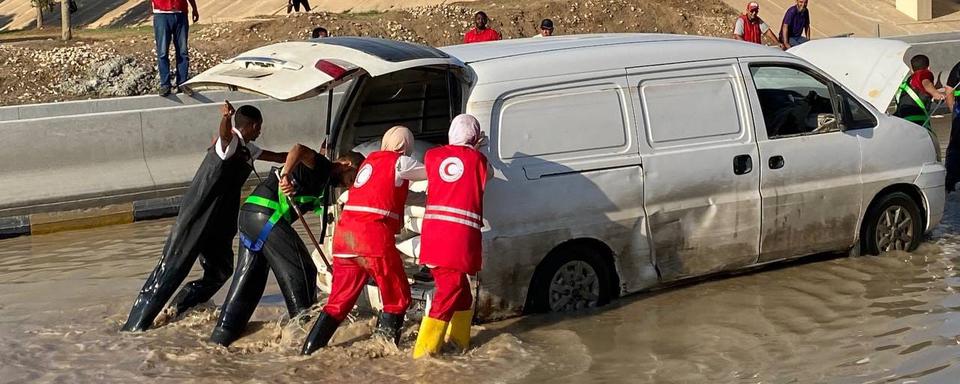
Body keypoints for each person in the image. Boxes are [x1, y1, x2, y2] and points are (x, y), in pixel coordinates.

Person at [121, 101, 287, 332]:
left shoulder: (249, 149)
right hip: (198, 216)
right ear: (251, 125)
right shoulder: (228, 144)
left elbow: (280, 157)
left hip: (220, 222)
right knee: (172, 267)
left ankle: (179, 308)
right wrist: (226, 118)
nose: (260, 131)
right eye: (259, 127)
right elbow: (225, 138)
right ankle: (135, 326)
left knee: (221, 270)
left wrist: (310, 157)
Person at [209, 146, 363, 347]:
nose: (350, 185)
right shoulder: (323, 166)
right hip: (266, 215)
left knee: (250, 282)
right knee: (303, 269)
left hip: (250, 216)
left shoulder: (322, 183)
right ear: (347, 164)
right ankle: (302, 337)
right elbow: (298, 149)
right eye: (352, 178)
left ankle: (221, 337)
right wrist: (285, 176)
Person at [301, 126, 427, 355]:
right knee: (397, 297)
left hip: (344, 239)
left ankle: (307, 353)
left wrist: (427, 199)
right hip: (372, 240)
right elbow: (437, 172)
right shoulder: (400, 162)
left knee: (338, 303)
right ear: (405, 146)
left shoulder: (369, 164)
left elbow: (400, 195)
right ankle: (382, 355)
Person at [413, 114, 490, 358]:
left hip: (434, 235)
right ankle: (424, 354)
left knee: (462, 294)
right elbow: (488, 175)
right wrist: (475, 150)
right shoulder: (479, 160)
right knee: (450, 290)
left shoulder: (432, 156)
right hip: (459, 238)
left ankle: (459, 345)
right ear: (475, 136)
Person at [152, 0, 199, 97]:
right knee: (162, 52)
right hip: (162, 14)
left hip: (180, 13)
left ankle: (182, 83)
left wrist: (194, 8)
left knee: (182, 51)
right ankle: (165, 84)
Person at [894, 55, 945, 129]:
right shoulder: (924, 73)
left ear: (911, 70)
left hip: (903, 120)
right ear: (928, 68)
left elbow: (919, 90)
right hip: (917, 122)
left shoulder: (909, 81)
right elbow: (926, 83)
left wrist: (936, 88)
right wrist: (936, 93)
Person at [944, 60, 960, 193]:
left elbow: (949, 91)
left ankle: (951, 180)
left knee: (955, 146)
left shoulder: (958, 67)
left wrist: (952, 110)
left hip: (959, 111)